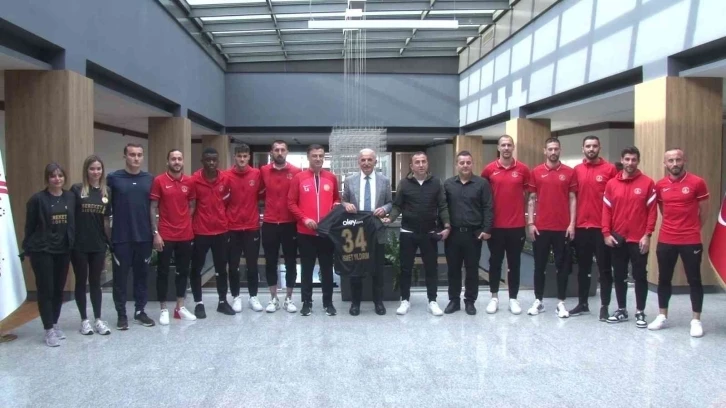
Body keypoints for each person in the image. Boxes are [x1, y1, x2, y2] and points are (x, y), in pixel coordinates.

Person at [648, 148, 708, 337]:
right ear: (665, 163)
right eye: (671, 160)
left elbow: (704, 211)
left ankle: (696, 320)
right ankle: (662, 316)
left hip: (691, 239)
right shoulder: (660, 185)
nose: (675, 164)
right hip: (666, 239)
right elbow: (663, 210)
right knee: (664, 278)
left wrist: (692, 228)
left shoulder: (697, 182)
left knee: (694, 279)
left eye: (678, 160)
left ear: (684, 161)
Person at [383, 152, 450, 316]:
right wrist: (390, 218)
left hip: (429, 232)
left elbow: (442, 205)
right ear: (411, 166)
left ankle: (432, 301)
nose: (421, 165)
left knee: (431, 268)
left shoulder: (436, 183)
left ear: (427, 164)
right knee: (405, 268)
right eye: (417, 162)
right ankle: (405, 300)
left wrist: (447, 225)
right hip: (408, 232)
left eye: (423, 161)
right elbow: (398, 205)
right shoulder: (404, 183)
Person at [602, 146, 657, 328]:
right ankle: (621, 310)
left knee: (640, 275)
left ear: (638, 161)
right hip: (617, 238)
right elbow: (606, 210)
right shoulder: (611, 184)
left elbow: (652, 212)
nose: (630, 163)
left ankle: (640, 311)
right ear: (622, 160)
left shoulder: (648, 183)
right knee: (619, 275)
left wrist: (647, 235)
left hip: (639, 239)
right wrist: (606, 233)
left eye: (633, 159)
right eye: (627, 159)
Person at [22, 163, 75, 347]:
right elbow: (29, 226)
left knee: (59, 289)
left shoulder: (70, 197)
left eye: (60, 175)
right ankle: (48, 329)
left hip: (63, 250)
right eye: (53, 176)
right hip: (42, 250)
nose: (57, 179)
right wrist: (27, 247)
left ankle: (54, 322)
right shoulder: (37, 199)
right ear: (47, 178)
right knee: (46, 289)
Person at [526, 137, 577, 318]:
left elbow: (572, 199)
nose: (553, 152)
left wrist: (572, 224)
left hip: (562, 228)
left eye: (556, 149)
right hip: (541, 227)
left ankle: (561, 302)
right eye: (550, 149)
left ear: (560, 150)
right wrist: (531, 223)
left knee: (562, 266)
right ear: (545, 151)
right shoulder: (536, 172)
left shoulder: (569, 172)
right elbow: (532, 199)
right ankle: (538, 300)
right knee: (539, 266)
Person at [288, 144, 340, 316]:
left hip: (326, 233)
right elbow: (291, 203)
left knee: (327, 269)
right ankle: (306, 303)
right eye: (314, 156)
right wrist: (304, 219)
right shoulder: (299, 178)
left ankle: (328, 303)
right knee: (307, 269)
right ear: (308, 157)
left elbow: (336, 199)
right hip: (305, 233)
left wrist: (335, 206)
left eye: (321, 156)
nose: (318, 159)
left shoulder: (331, 177)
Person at [481, 135, 530, 315]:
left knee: (514, 263)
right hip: (495, 226)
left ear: (513, 147)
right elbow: (483, 197)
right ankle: (494, 297)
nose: (506, 148)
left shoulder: (523, 169)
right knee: (495, 262)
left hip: (516, 226)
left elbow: (529, 196)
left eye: (509, 145)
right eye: (503, 145)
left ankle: (513, 299)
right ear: (498, 147)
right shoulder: (489, 170)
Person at [107, 143, 155, 330]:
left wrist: (155, 233)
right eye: (132, 154)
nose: (136, 158)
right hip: (122, 238)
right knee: (120, 280)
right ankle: (121, 315)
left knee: (141, 277)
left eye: (139, 155)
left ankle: (140, 311)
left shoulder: (149, 179)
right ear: (125, 156)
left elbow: (154, 208)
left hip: (144, 237)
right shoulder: (113, 178)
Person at [340, 148, 392, 316]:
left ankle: (378, 302)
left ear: (375, 162)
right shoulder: (350, 180)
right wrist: (347, 205)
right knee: (356, 270)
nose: (366, 163)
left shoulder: (384, 180)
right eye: (363, 160)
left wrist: (384, 209)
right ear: (359, 162)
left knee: (377, 269)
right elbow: (343, 201)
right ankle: (355, 303)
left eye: (370, 160)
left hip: (377, 230)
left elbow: (390, 203)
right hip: (356, 232)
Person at [570, 136, 617, 319]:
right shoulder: (577, 170)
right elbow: (572, 198)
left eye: (594, 146)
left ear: (599, 148)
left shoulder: (610, 169)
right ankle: (582, 304)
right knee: (583, 269)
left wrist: (610, 227)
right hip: (582, 227)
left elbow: (615, 199)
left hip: (602, 228)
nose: (591, 149)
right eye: (588, 146)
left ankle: (604, 306)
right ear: (583, 149)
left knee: (604, 269)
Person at [150, 149, 197, 325]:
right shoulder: (159, 181)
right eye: (173, 159)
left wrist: (184, 221)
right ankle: (163, 309)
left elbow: (192, 205)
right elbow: (152, 207)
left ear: (183, 161)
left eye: (179, 159)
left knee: (183, 271)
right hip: (165, 234)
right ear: (168, 161)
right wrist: (156, 233)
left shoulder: (189, 181)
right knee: (163, 272)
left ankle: (180, 307)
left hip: (185, 235)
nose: (176, 162)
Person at [444, 151, 493, 315]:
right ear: (456, 165)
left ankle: (470, 301)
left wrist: (486, 229)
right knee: (453, 269)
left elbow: (488, 207)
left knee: (472, 270)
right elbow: (442, 208)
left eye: (468, 162)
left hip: (473, 235)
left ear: (472, 164)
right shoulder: (448, 184)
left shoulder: (482, 184)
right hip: (453, 234)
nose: (465, 165)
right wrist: (443, 227)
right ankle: (454, 300)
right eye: (462, 163)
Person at [70, 155, 112, 335]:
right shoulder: (76, 190)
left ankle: (98, 320)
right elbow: (71, 217)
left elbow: (106, 220)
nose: (96, 172)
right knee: (81, 281)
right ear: (86, 170)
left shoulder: (106, 191)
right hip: (79, 245)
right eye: (92, 169)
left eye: (98, 169)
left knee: (96, 283)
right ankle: (84, 321)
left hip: (98, 244)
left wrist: (109, 242)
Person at [190, 147, 233, 317]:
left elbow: (227, 202)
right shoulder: (194, 180)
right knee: (197, 268)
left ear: (218, 161)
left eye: (214, 160)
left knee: (222, 268)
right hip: (200, 231)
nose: (211, 163)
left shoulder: (225, 179)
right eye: (208, 160)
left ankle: (222, 302)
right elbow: (191, 205)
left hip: (221, 231)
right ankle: (198, 303)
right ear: (202, 161)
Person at [260, 140, 301, 313]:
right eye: (276, 150)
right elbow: (258, 192)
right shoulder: (263, 171)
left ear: (287, 152)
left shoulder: (296, 172)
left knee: (291, 261)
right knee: (270, 261)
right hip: (269, 223)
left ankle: (289, 298)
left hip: (289, 224)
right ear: (271, 152)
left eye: (282, 150)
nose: (279, 152)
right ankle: (273, 298)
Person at [226, 144, 264, 313]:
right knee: (233, 265)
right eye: (239, 156)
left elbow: (261, 196)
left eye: (245, 156)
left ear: (249, 157)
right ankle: (235, 296)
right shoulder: (226, 175)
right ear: (235, 157)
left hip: (251, 227)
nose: (242, 159)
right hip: (232, 228)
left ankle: (253, 296)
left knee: (252, 265)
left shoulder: (256, 174)